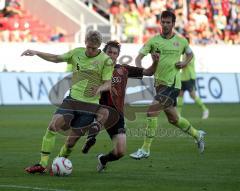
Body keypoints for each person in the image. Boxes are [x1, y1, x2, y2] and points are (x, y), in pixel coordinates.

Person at [58, 40, 159, 172]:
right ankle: (88, 139)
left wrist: (156, 61)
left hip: (117, 116)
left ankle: (103, 159)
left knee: (120, 151)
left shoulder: (123, 69)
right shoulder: (95, 68)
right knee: (72, 140)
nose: (112, 55)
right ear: (104, 53)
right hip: (96, 110)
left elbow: (149, 72)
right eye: (109, 52)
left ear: (118, 55)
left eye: (115, 53)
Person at [22, 30, 114, 174]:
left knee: (70, 142)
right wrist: (36, 52)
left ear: (99, 47)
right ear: (85, 43)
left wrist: (99, 88)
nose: (90, 51)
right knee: (53, 126)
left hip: (90, 106)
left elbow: (109, 83)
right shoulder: (76, 53)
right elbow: (56, 58)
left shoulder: (105, 60)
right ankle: (42, 164)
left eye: (94, 48)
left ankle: (58, 164)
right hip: (71, 101)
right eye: (88, 47)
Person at [129, 10, 206, 160]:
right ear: (160, 22)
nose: (165, 25)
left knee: (152, 112)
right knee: (174, 119)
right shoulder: (153, 41)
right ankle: (198, 135)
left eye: (168, 22)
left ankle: (145, 149)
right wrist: (140, 71)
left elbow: (190, 54)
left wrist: (184, 62)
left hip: (173, 85)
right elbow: (139, 58)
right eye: (163, 22)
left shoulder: (181, 41)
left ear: (173, 24)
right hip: (159, 84)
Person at [177, 52, 209, 119]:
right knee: (180, 94)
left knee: (192, 95)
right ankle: (178, 114)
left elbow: (185, 64)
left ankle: (205, 110)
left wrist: (177, 64)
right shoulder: (183, 54)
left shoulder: (190, 54)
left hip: (190, 77)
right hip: (183, 77)